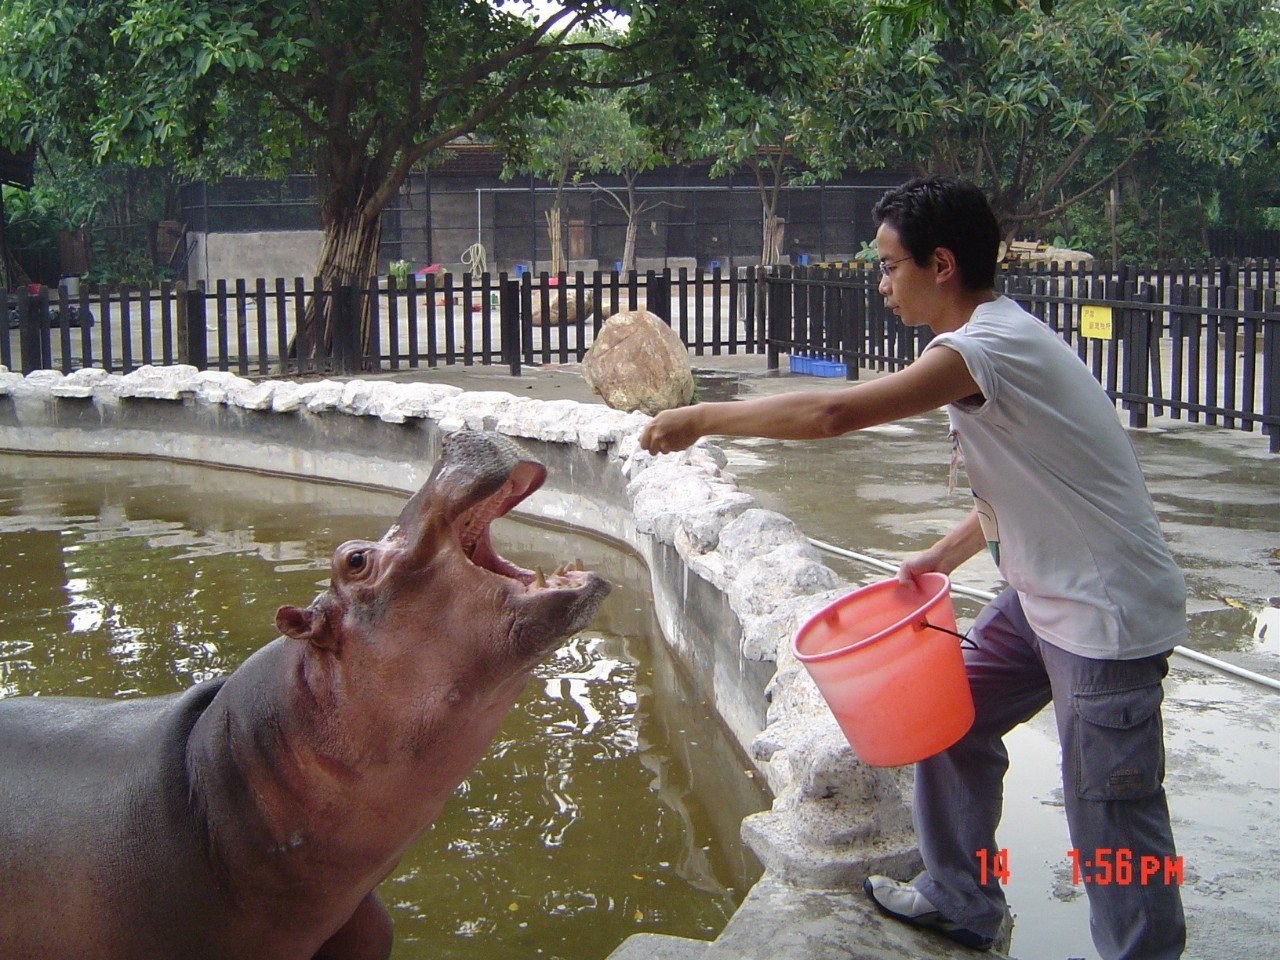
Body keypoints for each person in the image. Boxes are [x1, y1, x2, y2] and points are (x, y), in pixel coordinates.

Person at [639, 176, 1186, 959]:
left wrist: (702, 417)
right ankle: (961, 898)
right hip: (1041, 600)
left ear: (941, 264)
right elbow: (1035, 481)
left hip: (1106, 618)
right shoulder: (990, 341)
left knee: (1112, 821)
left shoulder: (986, 347)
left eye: (890, 266)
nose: (882, 282)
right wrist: (944, 553)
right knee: (947, 718)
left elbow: (834, 413)